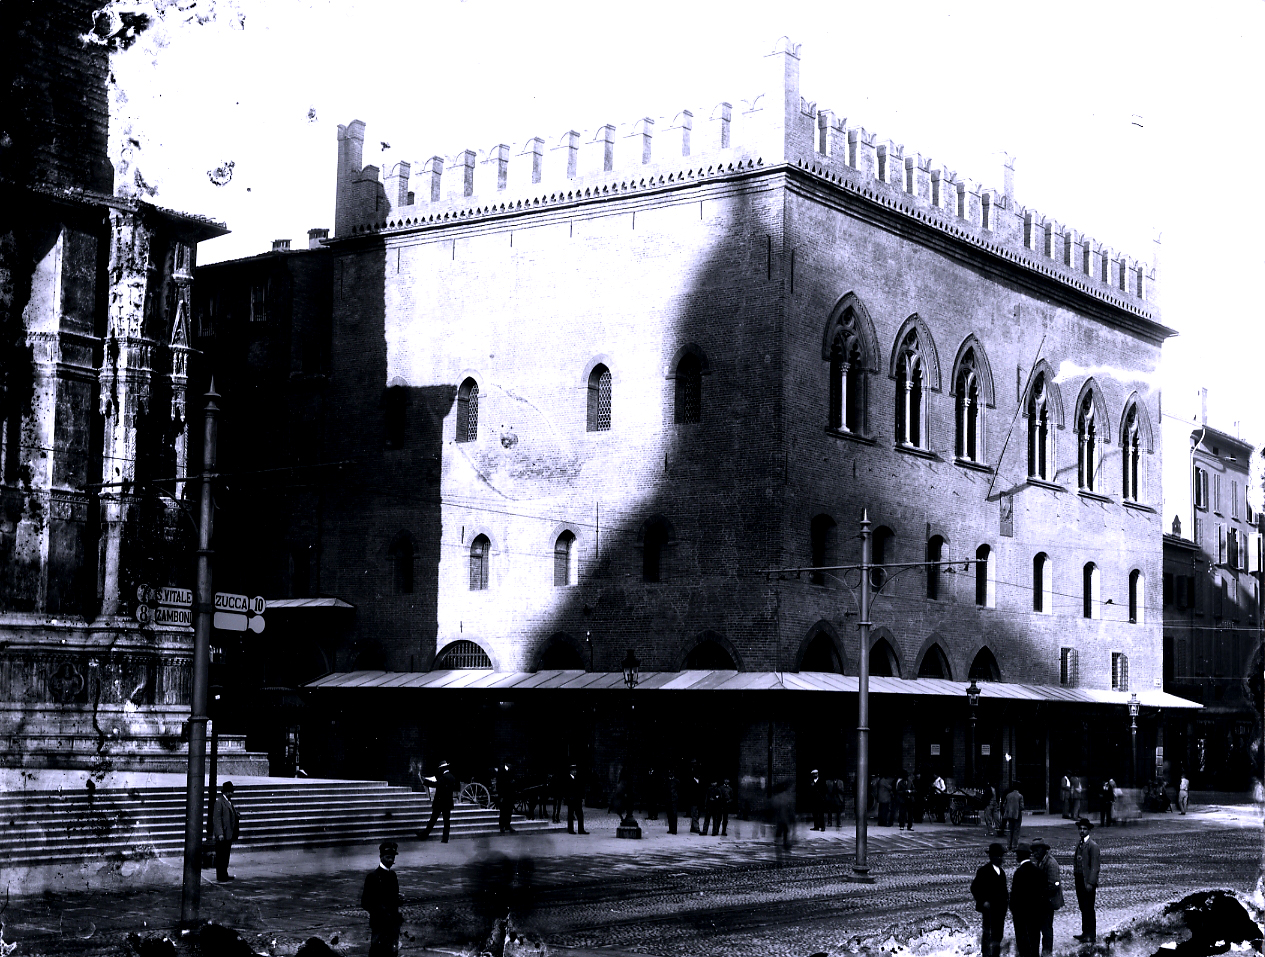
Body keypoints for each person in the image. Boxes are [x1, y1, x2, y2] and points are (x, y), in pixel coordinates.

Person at [362, 840, 403, 957]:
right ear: (381, 857)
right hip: (380, 924)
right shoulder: (372, 877)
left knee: (392, 953)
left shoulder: (393, 875)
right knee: (377, 952)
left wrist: (398, 899)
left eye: (392, 858)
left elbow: (393, 899)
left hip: (393, 925)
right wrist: (381, 911)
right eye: (388, 857)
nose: (391, 860)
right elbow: (365, 902)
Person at [971, 842, 1009, 957]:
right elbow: (974, 887)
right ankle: (986, 954)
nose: (1000, 858)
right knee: (988, 934)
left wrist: (1005, 904)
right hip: (989, 910)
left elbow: (1004, 891)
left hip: (1000, 910)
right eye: (998, 856)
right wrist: (983, 901)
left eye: (1001, 856)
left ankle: (995, 954)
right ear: (991, 857)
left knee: (998, 934)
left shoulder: (1001, 872)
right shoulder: (983, 871)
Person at [1030, 836, 1063, 954]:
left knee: (1047, 929)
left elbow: (1054, 885)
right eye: (1033, 850)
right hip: (1043, 901)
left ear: (1044, 850)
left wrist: (1039, 894)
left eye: (1037, 850)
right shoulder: (1041, 861)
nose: (1034, 853)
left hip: (1048, 902)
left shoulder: (1051, 863)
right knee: (1043, 928)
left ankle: (1047, 952)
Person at [1010, 843, 1043, 957]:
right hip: (1035, 914)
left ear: (1020, 855)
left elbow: (1014, 896)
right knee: (1034, 942)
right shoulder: (1037, 871)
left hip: (1021, 915)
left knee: (1023, 943)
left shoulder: (1019, 872)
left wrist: (1014, 911)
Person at [1072, 817, 1101, 942]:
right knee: (1083, 907)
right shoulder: (1080, 844)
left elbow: (1095, 866)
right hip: (1079, 879)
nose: (1082, 831)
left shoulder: (1092, 846)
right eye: (1080, 829)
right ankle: (1085, 932)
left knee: (1089, 907)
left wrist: (1091, 882)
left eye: (1084, 829)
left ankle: (1091, 934)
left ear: (1089, 830)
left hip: (1087, 881)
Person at [418, 760, 458, 843]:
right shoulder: (452, 777)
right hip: (447, 803)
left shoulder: (443, 778)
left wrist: (424, 780)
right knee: (446, 821)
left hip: (440, 803)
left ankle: (424, 835)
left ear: (442, 769)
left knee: (433, 820)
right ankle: (445, 838)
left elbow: (435, 784)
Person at [212, 781, 240, 882]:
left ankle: (224, 873)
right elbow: (217, 819)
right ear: (226, 792)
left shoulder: (229, 802)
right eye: (231, 791)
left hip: (229, 834)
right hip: (223, 834)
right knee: (221, 856)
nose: (232, 793)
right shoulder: (219, 802)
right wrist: (219, 833)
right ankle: (221, 875)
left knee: (226, 855)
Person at [566, 763, 587, 834]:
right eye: (573, 770)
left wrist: (581, 797)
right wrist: (568, 797)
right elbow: (566, 790)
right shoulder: (568, 779)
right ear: (570, 771)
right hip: (571, 799)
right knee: (570, 814)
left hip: (577, 799)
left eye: (575, 770)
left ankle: (581, 829)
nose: (575, 772)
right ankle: (570, 829)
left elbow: (581, 788)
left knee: (580, 814)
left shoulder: (578, 778)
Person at [1002, 783, 1024, 850]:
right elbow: (1021, 807)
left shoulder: (1008, 795)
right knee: (1016, 830)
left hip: (1009, 815)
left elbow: (1004, 805)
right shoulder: (1020, 796)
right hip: (1017, 815)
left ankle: (1009, 845)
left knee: (1010, 830)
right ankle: (1014, 845)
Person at [496, 763, 517, 835]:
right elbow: (499, 784)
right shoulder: (501, 771)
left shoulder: (511, 770)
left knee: (509, 810)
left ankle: (508, 824)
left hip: (510, 794)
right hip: (504, 794)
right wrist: (501, 795)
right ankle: (502, 826)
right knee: (503, 810)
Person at [689, 766, 704, 834]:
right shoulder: (691, 782)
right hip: (693, 801)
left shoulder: (700, 782)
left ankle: (693, 827)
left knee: (697, 815)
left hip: (699, 801)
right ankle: (696, 827)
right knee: (695, 814)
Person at [665, 768, 679, 834]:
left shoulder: (676, 781)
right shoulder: (667, 781)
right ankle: (671, 828)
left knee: (674, 814)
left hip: (674, 799)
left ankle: (674, 829)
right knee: (669, 814)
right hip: (669, 799)